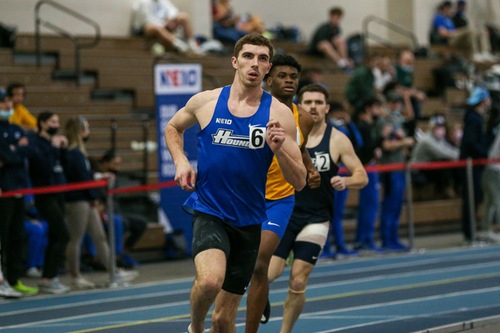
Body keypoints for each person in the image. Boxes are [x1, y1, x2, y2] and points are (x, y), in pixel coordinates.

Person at [164, 33, 306, 333]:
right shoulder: (206, 101)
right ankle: (195, 327)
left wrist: (279, 149)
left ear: (268, 68)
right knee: (210, 280)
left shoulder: (279, 114)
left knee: (224, 319)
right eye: (249, 56)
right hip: (210, 210)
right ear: (235, 61)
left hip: (250, 220)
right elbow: (173, 127)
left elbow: (301, 181)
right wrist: (180, 160)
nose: (255, 64)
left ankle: (208, 324)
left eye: (263, 58)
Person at [267, 83, 368, 332]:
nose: (313, 106)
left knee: (299, 279)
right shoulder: (287, 133)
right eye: (308, 102)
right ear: (299, 106)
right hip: (285, 212)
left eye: (318, 102)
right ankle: (261, 296)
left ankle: (285, 331)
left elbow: (362, 176)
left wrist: (346, 180)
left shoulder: (337, 139)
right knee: (268, 273)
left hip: (316, 218)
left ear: (327, 108)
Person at [245, 54, 320, 332]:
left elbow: (299, 149)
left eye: (293, 76)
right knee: (244, 268)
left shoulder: (305, 118)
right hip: (246, 196)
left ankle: (255, 308)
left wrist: (310, 169)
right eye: (282, 76)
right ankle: (260, 293)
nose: (289, 80)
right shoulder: (251, 109)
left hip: (279, 198)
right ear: (268, 79)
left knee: (259, 263)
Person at [63, 117, 138, 289]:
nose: (89, 132)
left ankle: (113, 271)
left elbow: (86, 176)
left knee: (100, 236)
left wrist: (98, 179)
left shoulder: (80, 153)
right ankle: (75, 276)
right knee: (76, 239)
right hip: (78, 200)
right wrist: (94, 195)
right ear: (80, 130)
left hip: (87, 199)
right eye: (87, 128)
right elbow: (80, 179)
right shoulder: (73, 153)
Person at [0, 88, 39, 296]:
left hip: (19, 189)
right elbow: (6, 154)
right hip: (3, 192)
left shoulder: (16, 128)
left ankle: (14, 279)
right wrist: (14, 150)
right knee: (3, 238)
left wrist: (12, 151)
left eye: (8, 102)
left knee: (16, 236)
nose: (7, 106)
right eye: (3, 103)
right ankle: (2, 279)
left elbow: (29, 150)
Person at [27, 111, 70, 294]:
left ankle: (49, 277)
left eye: (58, 121)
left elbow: (62, 167)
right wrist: (53, 148)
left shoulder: (55, 143)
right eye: (53, 121)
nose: (56, 124)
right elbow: (43, 168)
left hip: (59, 193)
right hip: (45, 195)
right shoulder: (36, 142)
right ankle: (48, 277)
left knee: (55, 235)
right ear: (43, 123)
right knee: (63, 234)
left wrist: (63, 148)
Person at [375, 91, 415, 250]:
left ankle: (393, 237)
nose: (395, 105)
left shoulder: (397, 119)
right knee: (390, 205)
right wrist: (404, 142)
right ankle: (387, 239)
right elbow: (385, 145)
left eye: (398, 102)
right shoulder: (384, 121)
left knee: (396, 205)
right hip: (389, 167)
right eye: (392, 102)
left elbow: (410, 117)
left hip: (398, 166)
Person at [353, 96, 385, 252]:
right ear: (368, 108)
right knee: (369, 205)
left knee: (371, 206)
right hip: (366, 168)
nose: (379, 111)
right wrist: (381, 139)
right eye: (376, 107)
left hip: (371, 167)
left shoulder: (370, 125)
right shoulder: (363, 126)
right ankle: (364, 239)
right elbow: (366, 148)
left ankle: (366, 238)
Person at [459, 87, 490, 242]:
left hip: (473, 164)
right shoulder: (474, 118)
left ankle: (471, 230)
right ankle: (469, 232)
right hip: (471, 165)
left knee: (474, 197)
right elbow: (471, 143)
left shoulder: (474, 117)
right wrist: (484, 152)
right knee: (472, 197)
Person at [411, 114, 460, 199]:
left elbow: (449, 149)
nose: (441, 130)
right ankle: (444, 191)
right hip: (418, 170)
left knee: (451, 163)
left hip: (429, 166)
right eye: (437, 127)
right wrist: (462, 155)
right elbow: (443, 153)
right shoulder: (427, 140)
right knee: (446, 164)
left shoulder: (439, 139)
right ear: (432, 128)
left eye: (442, 127)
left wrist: (462, 153)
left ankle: (455, 189)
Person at [131, 0, 202, 54]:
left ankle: (192, 45)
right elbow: (147, 20)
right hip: (146, 29)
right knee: (154, 27)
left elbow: (173, 11)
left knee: (183, 16)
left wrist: (170, 20)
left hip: (163, 25)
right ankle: (179, 45)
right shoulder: (143, 2)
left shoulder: (163, 1)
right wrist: (163, 24)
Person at [395, 49, 427, 121]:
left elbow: (415, 87)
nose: (411, 58)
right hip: (400, 95)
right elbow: (396, 86)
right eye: (408, 56)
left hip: (411, 96)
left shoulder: (414, 71)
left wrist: (416, 93)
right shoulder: (396, 70)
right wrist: (412, 93)